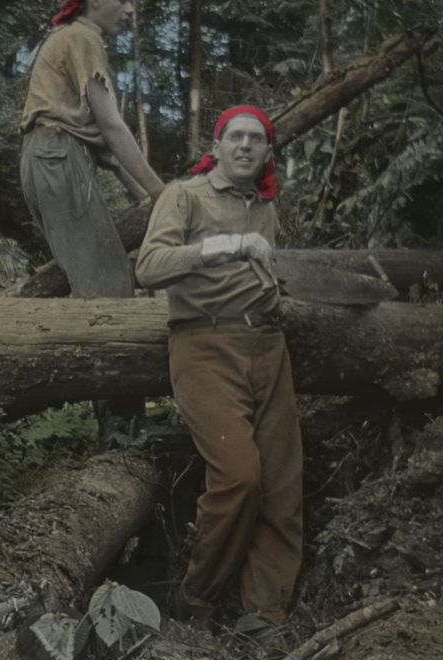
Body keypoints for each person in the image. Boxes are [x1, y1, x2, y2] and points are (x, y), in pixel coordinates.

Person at [135, 106, 303, 624]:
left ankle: (264, 612)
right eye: (237, 137)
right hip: (204, 346)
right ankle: (196, 601)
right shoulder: (184, 196)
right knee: (239, 475)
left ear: (268, 152)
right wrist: (224, 246)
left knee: (281, 485)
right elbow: (149, 267)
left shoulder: (265, 208)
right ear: (219, 144)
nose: (246, 146)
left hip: (268, 347)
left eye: (257, 139)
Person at [20, 0, 165, 298]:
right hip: (57, 159)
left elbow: (105, 149)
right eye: (124, 0)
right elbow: (112, 128)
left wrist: (147, 197)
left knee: (94, 273)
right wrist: (162, 193)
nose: (130, 11)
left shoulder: (71, 38)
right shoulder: (82, 37)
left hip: (46, 158)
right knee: (106, 283)